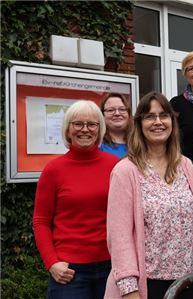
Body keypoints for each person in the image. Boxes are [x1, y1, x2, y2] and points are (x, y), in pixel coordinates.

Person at [104, 91, 193, 299]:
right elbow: (120, 239)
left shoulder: (184, 165)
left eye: (164, 115)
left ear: (172, 122)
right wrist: (130, 290)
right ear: (139, 124)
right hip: (151, 285)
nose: (158, 122)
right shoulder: (126, 171)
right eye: (149, 116)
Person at [33, 100, 119, 299]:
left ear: (100, 129)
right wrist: (52, 262)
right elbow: (41, 221)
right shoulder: (53, 170)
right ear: (68, 129)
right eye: (78, 124)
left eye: (92, 124)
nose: (85, 130)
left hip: (111, 268)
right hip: (70, 274)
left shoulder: (116, 167)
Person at [99, 93, 132, 158]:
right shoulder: (97, 144)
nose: (117, 113)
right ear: (102, 115)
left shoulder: (140, 143)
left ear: (129, 114)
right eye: (110, 110)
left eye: (122, 109)